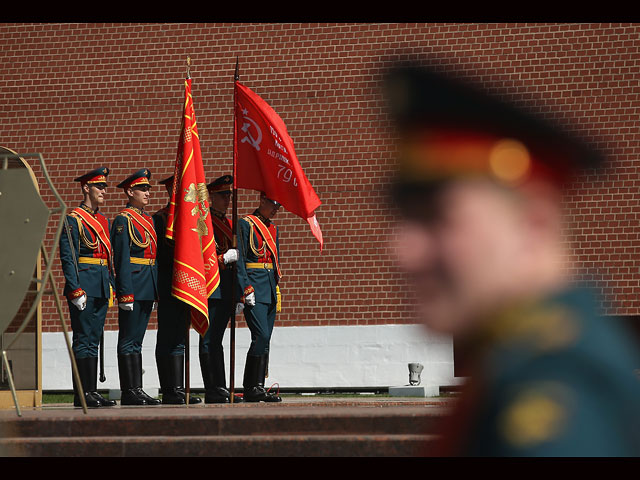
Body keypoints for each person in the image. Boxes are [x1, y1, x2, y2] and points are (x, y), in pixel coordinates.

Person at [386, 64, 640, 456]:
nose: (401, 250)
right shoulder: (515, 366)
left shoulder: (561, 389)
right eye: (404, 216)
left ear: (533, 225)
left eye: (436, 217)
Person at [59, 166, 116, 408]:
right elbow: (68, 256)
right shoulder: (73, 219)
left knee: (94, 339)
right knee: (83, 339)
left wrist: (111, 285)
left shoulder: (103, 220)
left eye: (104, 186)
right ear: (86, 188)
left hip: (101, 284)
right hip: (84, 284)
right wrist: (74, 289)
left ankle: (91, 391)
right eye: (99, 186)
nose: (104, 190)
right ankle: (82, 394)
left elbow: (108, 257)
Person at [152, 175, 203, 405]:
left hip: (187, 284)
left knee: (181, 336)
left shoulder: (191, 219)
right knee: (168, 336)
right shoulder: (161, 219)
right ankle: (170, 390)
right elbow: (159, 257)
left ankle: (179, 389)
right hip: (168, 284)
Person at [111, 168, 161, 406]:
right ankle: (129, 390)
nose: (147, 193)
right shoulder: (123, 220)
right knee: (128, 339)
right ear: (130, 191)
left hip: (147, 285)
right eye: (142, 189)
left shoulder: (148, 220)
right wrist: (124, 292)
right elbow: (121, 259)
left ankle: (136, 388)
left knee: (137, 340)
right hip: (133, 285)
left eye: (148, 189)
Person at [198, 175, 241, 403]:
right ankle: (211, 388)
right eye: (223, 195)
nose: (227, 200)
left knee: (217, 340)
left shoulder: (229, 223)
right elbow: (200, 256)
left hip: (226, 288)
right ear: (211, 197)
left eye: (229, 195)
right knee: (208, 339)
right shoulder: (204, 223)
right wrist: (224, 258)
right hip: (209, 286)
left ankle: (221, 385)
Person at [236, 192, 283, 402]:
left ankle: (259, 386)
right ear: (262, 200)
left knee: (266, 340)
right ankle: (250, 386)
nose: (276, 208)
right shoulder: (246, 224)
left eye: (278, 205)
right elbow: (241, 258)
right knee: (261, 335)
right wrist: (245, 287)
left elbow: (275, 262)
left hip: (270, 288)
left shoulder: (273, 229)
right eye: (273, 203)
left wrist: (276, 287)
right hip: (254, 287)